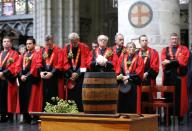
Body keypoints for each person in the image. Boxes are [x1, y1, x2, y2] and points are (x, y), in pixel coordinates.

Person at [161, 33, 190, 124]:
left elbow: (183, 62)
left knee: (179, 99)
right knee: (168, 97)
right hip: (168, 78)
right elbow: (163, 62)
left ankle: (180, 118)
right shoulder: (164, 50)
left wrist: (169, 61)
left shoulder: (184, 49)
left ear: (178, 39)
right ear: (170, 40)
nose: (174, 40)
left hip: (179, 78)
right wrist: (175, 62)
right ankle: (167, 118)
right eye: (172, 38)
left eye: (175, 39)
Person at [16, 38, 42, 124]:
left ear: (34, 44)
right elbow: (18, 66)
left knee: (33, 99)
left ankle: (34, 117)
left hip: (32, 80)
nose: (28, 45)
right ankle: (26, 117)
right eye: (27, 44)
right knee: (23, 99)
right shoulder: (24, 54)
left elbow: (35, 67)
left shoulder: (37, 54)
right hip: (23, 80)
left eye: (30, 43)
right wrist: (21, 75)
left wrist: (26, 76)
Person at [63, 32, 90, 112]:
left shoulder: (84, 47)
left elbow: (86, 63)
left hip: (81, 75)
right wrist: (71, 73)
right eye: (72, 42)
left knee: (80, 95)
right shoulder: (66, 48)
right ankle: (71, 111)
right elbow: (64, 62)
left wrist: (77, 73)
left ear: (78, 40)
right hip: (70, 76)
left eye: (75, 42)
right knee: (71, 96)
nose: (73, 44)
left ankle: (81, 112)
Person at [116, 42, 144, 113]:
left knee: (132, 104)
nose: (131, 49)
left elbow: (139, 72)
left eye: (133, 47)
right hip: (123, 84)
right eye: (130, 47)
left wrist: (128, 77)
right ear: (127, 49)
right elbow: (118, 69)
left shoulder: (139, 59)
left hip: (133, 83)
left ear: (135, 49)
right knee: (122, 104)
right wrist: (122, 77)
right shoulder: (122, 58)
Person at [39, 35, 63, 109]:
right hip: (44, 77)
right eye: (46, 42)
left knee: (54, 96)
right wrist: (41, 72)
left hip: (54, 77)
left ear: (52, 41)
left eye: (49, 41)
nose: (47, 44)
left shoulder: (58, 50)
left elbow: (60, 63)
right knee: (45, 96)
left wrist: (52, 73)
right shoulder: (43, 50)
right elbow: (39, 62)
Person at [0, 36, 19, 122]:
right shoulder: (0, 54)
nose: (6, 43)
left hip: (9, 79)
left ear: (11, 43)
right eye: (4, 41)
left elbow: (14, 66)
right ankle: (3, 116)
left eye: (8, 41)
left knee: (10, 98)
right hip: (0, 79)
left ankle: (10, 117)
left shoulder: (14, 54)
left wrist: (3, 73)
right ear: (2, 43)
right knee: (1, 98)